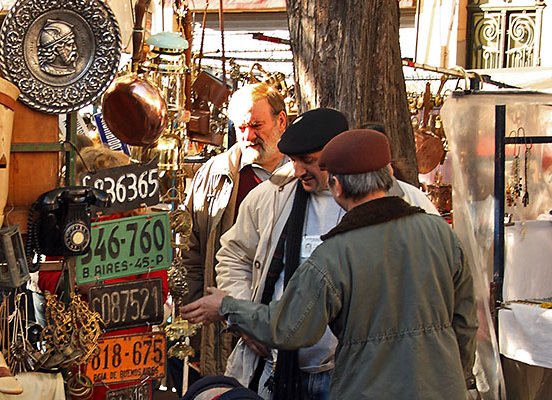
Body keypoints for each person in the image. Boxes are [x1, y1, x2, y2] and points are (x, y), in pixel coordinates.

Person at [182, 129, 478, 399]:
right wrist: (455, 375)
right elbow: (465, 319)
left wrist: (227, 306)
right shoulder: (440, 232)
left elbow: (288, 327)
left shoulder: (334, 255)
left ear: (336, 186)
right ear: (388, 175)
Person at [183, 82, 290, 376]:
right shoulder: (213, 174)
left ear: (281, 121)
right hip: (220, 324)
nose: (248, 136)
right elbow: (191, 252)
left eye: (257, 125)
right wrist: (197, 317)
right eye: (241, 127)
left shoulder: (301, 177)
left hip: (283, 322)